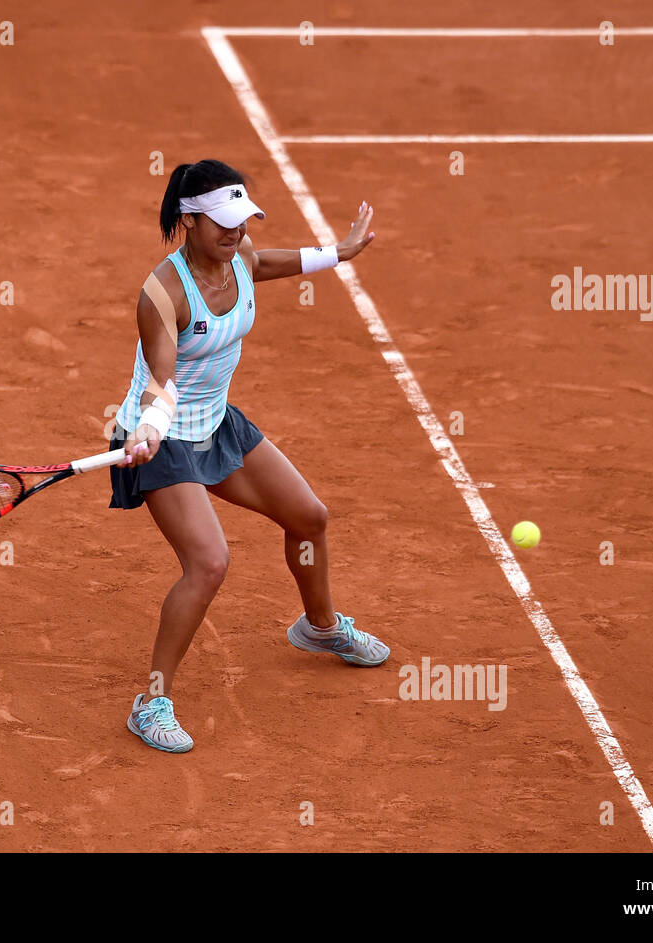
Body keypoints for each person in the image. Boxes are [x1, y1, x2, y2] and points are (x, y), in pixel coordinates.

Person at [109, 159, 390, 754]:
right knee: (209, 563)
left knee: (309, 516)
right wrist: (150, 430)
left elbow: (270, 263)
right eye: (222, 223)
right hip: (162, 437)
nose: (235, 233)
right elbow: (162, 379)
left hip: (217, 424)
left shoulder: (241, 255)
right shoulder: (162, 293)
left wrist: (336, 253)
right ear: (189, 220)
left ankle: (320, 629)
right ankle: (151, 700)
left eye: (242, 220)